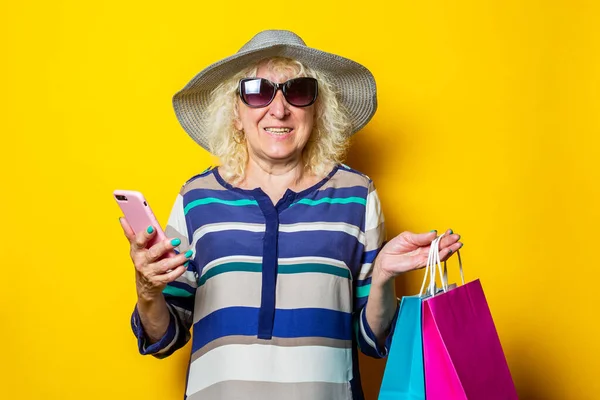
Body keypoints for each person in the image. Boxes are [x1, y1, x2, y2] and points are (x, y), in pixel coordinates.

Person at [118, 30, 462, 400]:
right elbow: (164, 336)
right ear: (236, 112)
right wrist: (148, 290)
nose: (278, 109)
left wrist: (381, 278)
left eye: (297, 91)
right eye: (257, 91)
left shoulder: (357, 194)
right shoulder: (196, 198)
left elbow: (371, 339)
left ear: (317, 110)